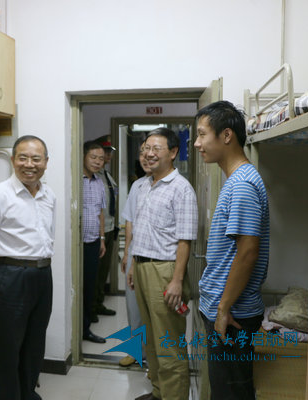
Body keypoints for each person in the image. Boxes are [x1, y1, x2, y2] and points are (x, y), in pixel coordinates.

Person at [194, 101, 270, 400]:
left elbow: (248, 252)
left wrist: (223, 309)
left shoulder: (242, 185)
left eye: (202, 134)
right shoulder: (237, 180)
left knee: (231, 393)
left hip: (232, 315)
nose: (197, 143)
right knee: (226, 390)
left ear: (226, 135)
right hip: (226, 309)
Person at [0, 135, 56, 400]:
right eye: (23, 158)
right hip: (10, 276)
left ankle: (27, 394)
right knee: (8, 348)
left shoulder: (49, 195)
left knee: (35, 343)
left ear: (46, 162)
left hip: (43, 274)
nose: (29, 164)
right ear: (12, 160)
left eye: (36, 159)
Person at [127, 128, 198, 400]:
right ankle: (158, 392)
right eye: (146, 148)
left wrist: (177, 280)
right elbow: (140, 231)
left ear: (173, 152)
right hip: (142, 267)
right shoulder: (144, 185)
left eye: (156, 148)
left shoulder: (181, 189)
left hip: (165, 271)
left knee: (169, 344)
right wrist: (133, 264)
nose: (149, 153)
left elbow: (185, 240)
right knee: (152, 339)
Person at [118, 144, 152, 367]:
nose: (146, 157)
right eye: (142, 153)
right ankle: (137, 350)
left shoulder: (176, 186)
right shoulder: (137, 185)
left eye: (152, 151)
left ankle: (156, 357)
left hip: (158, 258)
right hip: (135, 253)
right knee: (134, 306)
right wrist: (126, 253)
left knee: (155, 309)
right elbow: (129, 221)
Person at [81, 140, 108, 344]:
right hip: (77, 245)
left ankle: (86, 328)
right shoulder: (75, 180)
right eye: (93, 157)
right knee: (77, 287)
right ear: (83, 156)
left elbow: (100, 213)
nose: (98, 162)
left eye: (101, 159)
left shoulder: (99, 182)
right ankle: (77, 328)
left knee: (90, 287)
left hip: (93, 242)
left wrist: (102, 239)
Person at [92, 138, 118, 321]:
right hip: (98, 231)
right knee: (95, 272)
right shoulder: (92, 176)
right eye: (105, 151)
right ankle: (91, 307)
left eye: (109, 152)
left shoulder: (107, 175)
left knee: (103, 271)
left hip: (109, 228)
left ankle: (99, 303)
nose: (108, 155)